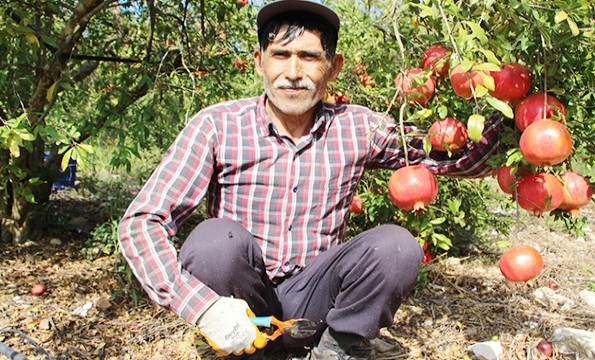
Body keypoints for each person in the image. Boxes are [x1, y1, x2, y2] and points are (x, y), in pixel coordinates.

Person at [117, 0, 501, 358]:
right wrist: (202, 307)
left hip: (316, 301)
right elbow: (142, 222)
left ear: (333, 67)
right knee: (214, 242)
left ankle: (338, 346)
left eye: (309, 57)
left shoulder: (358, 127)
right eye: (280, 55)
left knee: (396, 247)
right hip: (242, 307)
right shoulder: (217, 125)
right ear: (259, 62)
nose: (293, 72)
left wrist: (513, 117)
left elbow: (448, 155)